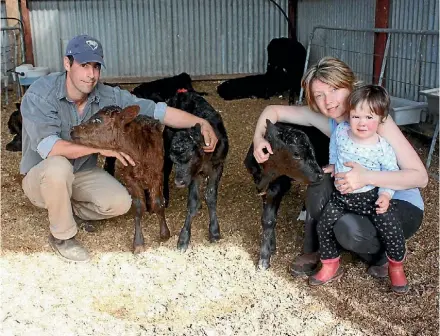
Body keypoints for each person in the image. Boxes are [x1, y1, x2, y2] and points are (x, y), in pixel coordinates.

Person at [20, 34, 218, 262]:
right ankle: (62, 237)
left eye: (96, 67)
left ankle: (69, 209)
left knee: (120, 203)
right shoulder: (40, 94)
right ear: (67, 63)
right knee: (58, 167)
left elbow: (157, 111)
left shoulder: (106, 95)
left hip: (81, 173)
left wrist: (201, 122)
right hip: (43, 176)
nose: (91, 75)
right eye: (84, 66)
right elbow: (51, 148)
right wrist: (101, 150)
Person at [252, 57, 427, 280]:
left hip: (397, 202)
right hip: (357, 196)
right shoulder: (331, 119)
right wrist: (259, 138)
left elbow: (420, 177)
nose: (328, 101)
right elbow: (272, 110)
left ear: (350, 85)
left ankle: (383, 255)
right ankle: (318, 250)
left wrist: (366, 177)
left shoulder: (376, 121)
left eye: (335, 89)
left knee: (349, 230)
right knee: (320, 179)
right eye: (319, 95)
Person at [308, 85, 408, 294]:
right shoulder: (342, 132)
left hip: (371, 197)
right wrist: (335, 164)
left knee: (391, 228)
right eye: (356, 116)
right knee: (323, 226)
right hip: (342, 196)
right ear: (349, 115)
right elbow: (334, 147)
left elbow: (390, 172)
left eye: (369, 117)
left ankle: (396, 266)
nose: (362, 123)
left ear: (381, 118)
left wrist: (385, 195)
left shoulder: (382, 147)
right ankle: (330, 264)